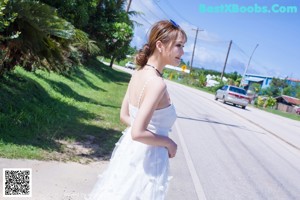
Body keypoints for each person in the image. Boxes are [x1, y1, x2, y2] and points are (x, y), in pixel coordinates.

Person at [86, 19, 187, 200]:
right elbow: (138, 133)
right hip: (148, 157)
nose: (182, 52)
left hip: (131, 152)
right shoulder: (157, 84)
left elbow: (124, 116)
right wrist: (168, 143)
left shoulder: (138, 72)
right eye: (178, 45)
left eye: (183, 46)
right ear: (160, 45)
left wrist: (143, 130)